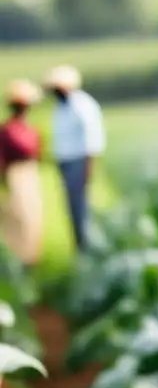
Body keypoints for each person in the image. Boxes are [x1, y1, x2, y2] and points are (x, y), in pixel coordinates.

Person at [43, 65, 105, 253]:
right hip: (67, 163)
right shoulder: (61, 107)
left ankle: (88, 247)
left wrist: (88, 166)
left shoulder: (83, 105)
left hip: (79, 161)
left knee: (82, 207)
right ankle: (80, 246)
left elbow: (92, 138)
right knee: (72, 207)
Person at [0, 80, 44, 265]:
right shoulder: (9, 130)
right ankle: (20, 260)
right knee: (19, 219)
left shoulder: (29, 129)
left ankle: (31, 259)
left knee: (33, 219)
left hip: (30, 174)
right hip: (16, 175)